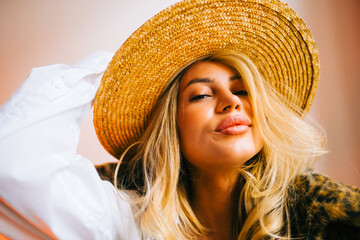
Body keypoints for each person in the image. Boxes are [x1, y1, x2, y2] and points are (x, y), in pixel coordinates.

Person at [0, 0, 359, 239]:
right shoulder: (126, 223)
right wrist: (115, 71)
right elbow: (11, 160)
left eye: (243, 90)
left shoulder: (328, 220)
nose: (230, 102)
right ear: (171, 127)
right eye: (202, 94)